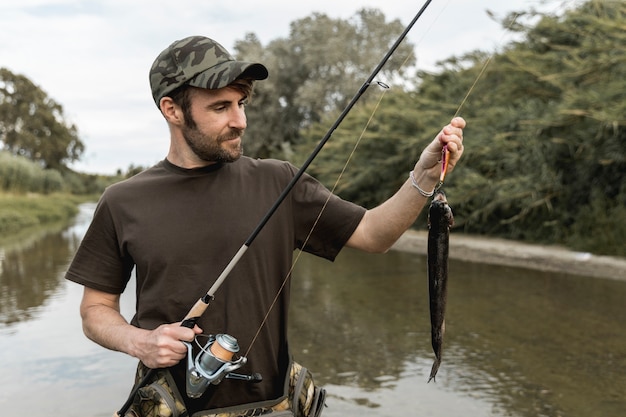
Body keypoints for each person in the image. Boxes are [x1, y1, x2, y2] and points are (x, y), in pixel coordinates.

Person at [65, 35, 465, 417]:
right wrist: (142, 342)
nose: (239, 120)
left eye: (241, 103)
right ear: (172, 110)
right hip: (168, 406)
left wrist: (424, 176)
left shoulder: (279, 182)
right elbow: (95, 311)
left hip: (274, 407)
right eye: (221, 107)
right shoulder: (123, 201)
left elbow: (375, 235)